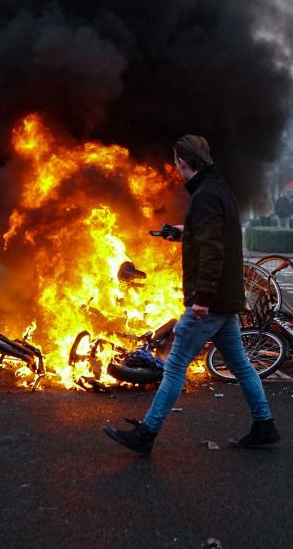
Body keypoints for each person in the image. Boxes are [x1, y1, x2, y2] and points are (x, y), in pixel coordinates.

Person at [104, 135, 278, 455]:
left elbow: (213, 249)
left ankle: (146, 434)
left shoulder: (206, 196)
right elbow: (208, 234)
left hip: (211, 301)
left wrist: (202, 298)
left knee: (174, 365)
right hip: (224, 299)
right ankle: (264, 424)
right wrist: (179, 233)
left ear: (183, 162)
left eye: (176, 163)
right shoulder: (218, 189)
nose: (175, 169)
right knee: (240, 363)